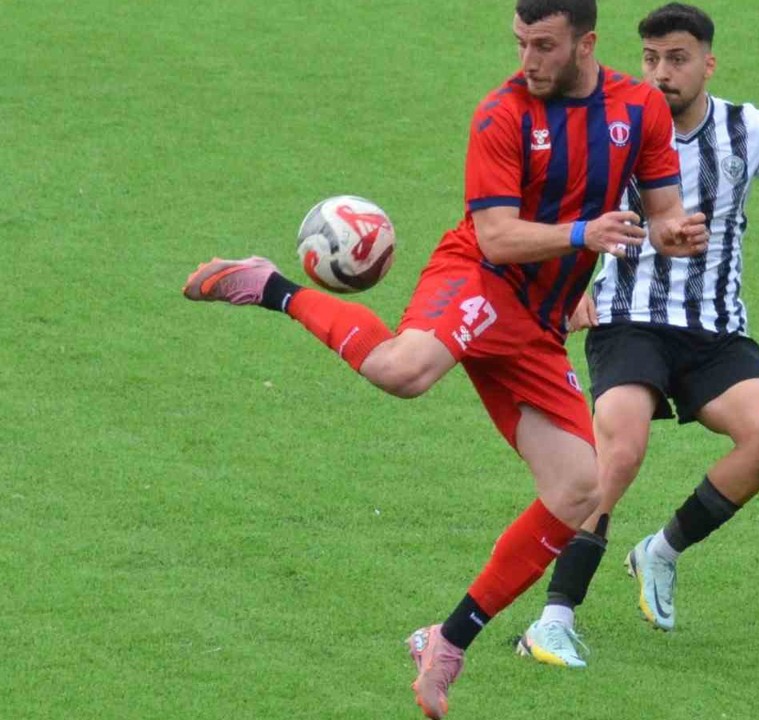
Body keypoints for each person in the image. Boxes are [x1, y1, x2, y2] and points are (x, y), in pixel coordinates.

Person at [181, 0, 709, 716]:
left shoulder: (640, 109)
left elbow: (665, 209)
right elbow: (495, 238)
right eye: (521, 42)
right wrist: (584, 233)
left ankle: (448, 639)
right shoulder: (501, 114)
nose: (529, 60)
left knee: (579, 488)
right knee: (404, 371)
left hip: (539, 322)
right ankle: (267, 284)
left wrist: (677, 233)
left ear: (587, 43)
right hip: (481, 276)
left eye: (546, 45)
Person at [516, 2, 759, 668]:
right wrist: (564, 297)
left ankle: (661, 551)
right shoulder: (608, 127)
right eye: (650, 59)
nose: (660, 74)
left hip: (714, 331)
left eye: (676, 59)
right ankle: (553, 619)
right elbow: (554, 215)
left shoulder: (745, 128)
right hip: (629, 319)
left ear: (708, 62)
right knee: (618, 445)